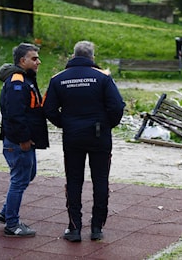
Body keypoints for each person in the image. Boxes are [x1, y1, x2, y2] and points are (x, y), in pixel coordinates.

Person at [43, 40, 125, 242]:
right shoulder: (103, 78)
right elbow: (117, 106)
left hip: (72, 137)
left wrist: (65, 124)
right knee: (100, 181)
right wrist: (107, 124)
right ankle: (97, 227)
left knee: (73, 181)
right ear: (92, 57)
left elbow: (49, 109)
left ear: (73, 55)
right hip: (99, 136)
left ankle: (74, 228)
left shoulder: (58, 79)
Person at [0, 43, 49, 237]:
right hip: (18, 142)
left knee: (28, 175)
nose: (38, 62)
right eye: (34, 58)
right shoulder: (17, 82)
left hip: (24, 139)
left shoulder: (26, 79)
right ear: (22, 61)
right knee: (19, 180)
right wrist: (23, 139)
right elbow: (15, 115)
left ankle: (5, 213)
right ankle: (12, 224)